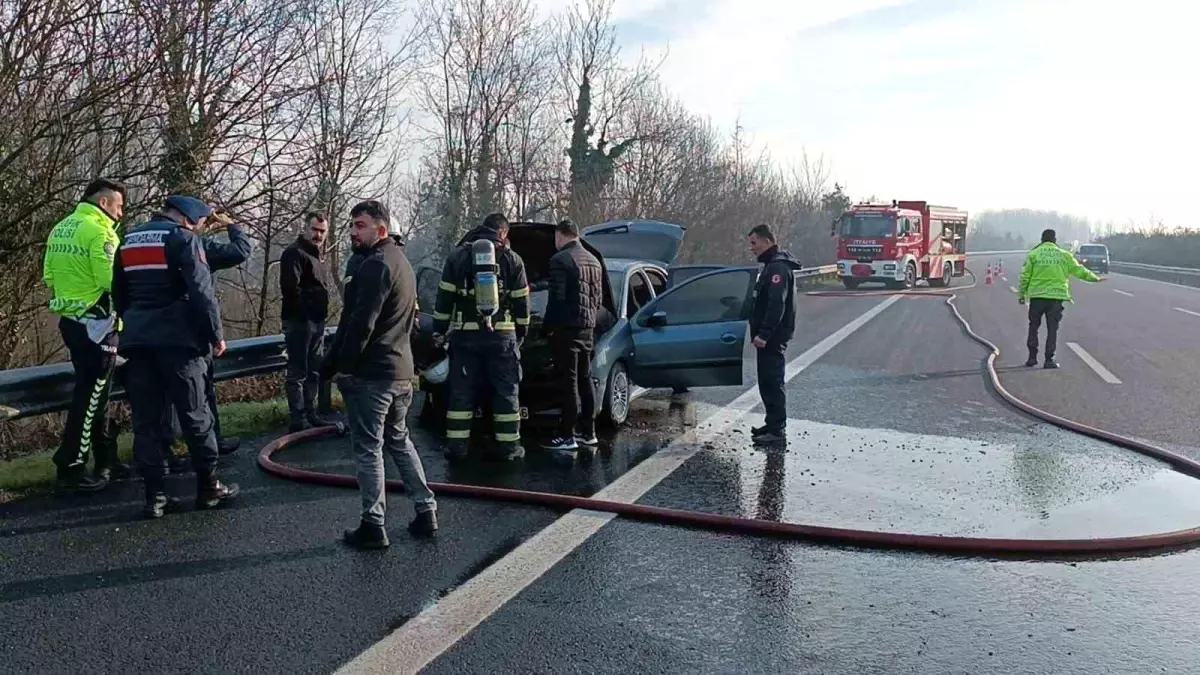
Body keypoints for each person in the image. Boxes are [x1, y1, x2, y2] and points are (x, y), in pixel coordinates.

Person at [112, 195, 239, 518]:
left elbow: (120, 293)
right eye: (198, 222)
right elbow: (200, 291)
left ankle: (155, 497)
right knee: (196, 417)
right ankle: (209, 489)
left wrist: (136, 324)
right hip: (180, 343)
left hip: (138, 343)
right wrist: (216, 335)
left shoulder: (128, 241)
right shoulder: (183, 239)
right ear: (187, 218)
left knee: (147, 423)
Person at [321, 200, 437, 549]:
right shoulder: (404, 264)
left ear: (381, 230)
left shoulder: (375, 266)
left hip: (373, 375)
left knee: (369, 448)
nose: (353, 232)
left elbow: (360, 324)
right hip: (401, 372)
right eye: (352, 226)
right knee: (400, 441)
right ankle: (426, 510)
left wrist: (339, 366)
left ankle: (373, 523)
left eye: (360, 225)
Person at [42, 179, 130, 492]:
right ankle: (71, 467)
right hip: (97, 325)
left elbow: (49, 275)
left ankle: (107, 459)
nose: (120, 214)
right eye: (119, 206)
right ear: (104, 203)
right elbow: (112, 282)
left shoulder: (61, 227)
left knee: (96, 397)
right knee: (90, 399)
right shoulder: (101, 232)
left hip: (70, 322)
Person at [431, 213, 530, 461]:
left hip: (465, 339)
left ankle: (457, 447)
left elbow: (444, 299)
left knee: (461, 393)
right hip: (502, 338)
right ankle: (509, 448)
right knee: (506, 392)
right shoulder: (512, 259)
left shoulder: (457, 257)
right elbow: (521, 302)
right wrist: (521, 333)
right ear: (503, 233)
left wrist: (439, 330)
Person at [161, 208, 252, 472]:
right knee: (199, 395)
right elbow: (240, 250)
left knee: (163, 397)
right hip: (191, 332)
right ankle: (207, 461)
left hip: (154, 331)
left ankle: (166, 455)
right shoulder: (195, 244)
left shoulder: (151, 242)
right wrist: (231, 225)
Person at [541, 219, 604, 452]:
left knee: (568, 382)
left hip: (567, 329)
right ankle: (589, 432)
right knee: (585, 379)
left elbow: (556, 300)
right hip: (588, 328)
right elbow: (597, 299)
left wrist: (546, 328)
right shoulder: (594, 260)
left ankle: (567, 435)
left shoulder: (560, 260)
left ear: (560, 235)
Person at [746, 224, 802, 444]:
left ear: (767, 241)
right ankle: (772, 423)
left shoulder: (777, 268)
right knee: (767, 381)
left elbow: (776, 304)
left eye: (754, 243)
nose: (752, 248)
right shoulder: (772, 265)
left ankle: (777, 430)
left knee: (772, 380)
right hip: (770, 336)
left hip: (773, 337)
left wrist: (764, 334)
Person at [280, 211, 334, 431]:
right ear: (305, 228)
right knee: (297, 372)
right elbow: (290, 289)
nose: (318, 235)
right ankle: (298, 418)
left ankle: (311, 413)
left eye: (322, 231)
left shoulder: (317, 256)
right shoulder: (294, 253)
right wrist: (306, 314)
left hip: (317, 322)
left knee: (313, 371)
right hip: (300, 322)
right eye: (315, 229)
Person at [1018, 228, 1103, 369]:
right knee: (1052, 329)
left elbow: (1025, 276)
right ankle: (1049, 360)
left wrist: (1021, 294)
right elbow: (1079, 270)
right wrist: (1095, 278)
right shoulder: (1064, 255)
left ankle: (1032, 358)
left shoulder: (1034, 254)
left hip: (1037, 297)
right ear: (1055, 240)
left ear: (1041, 240)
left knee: (1034, 327)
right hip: (1056, 298)